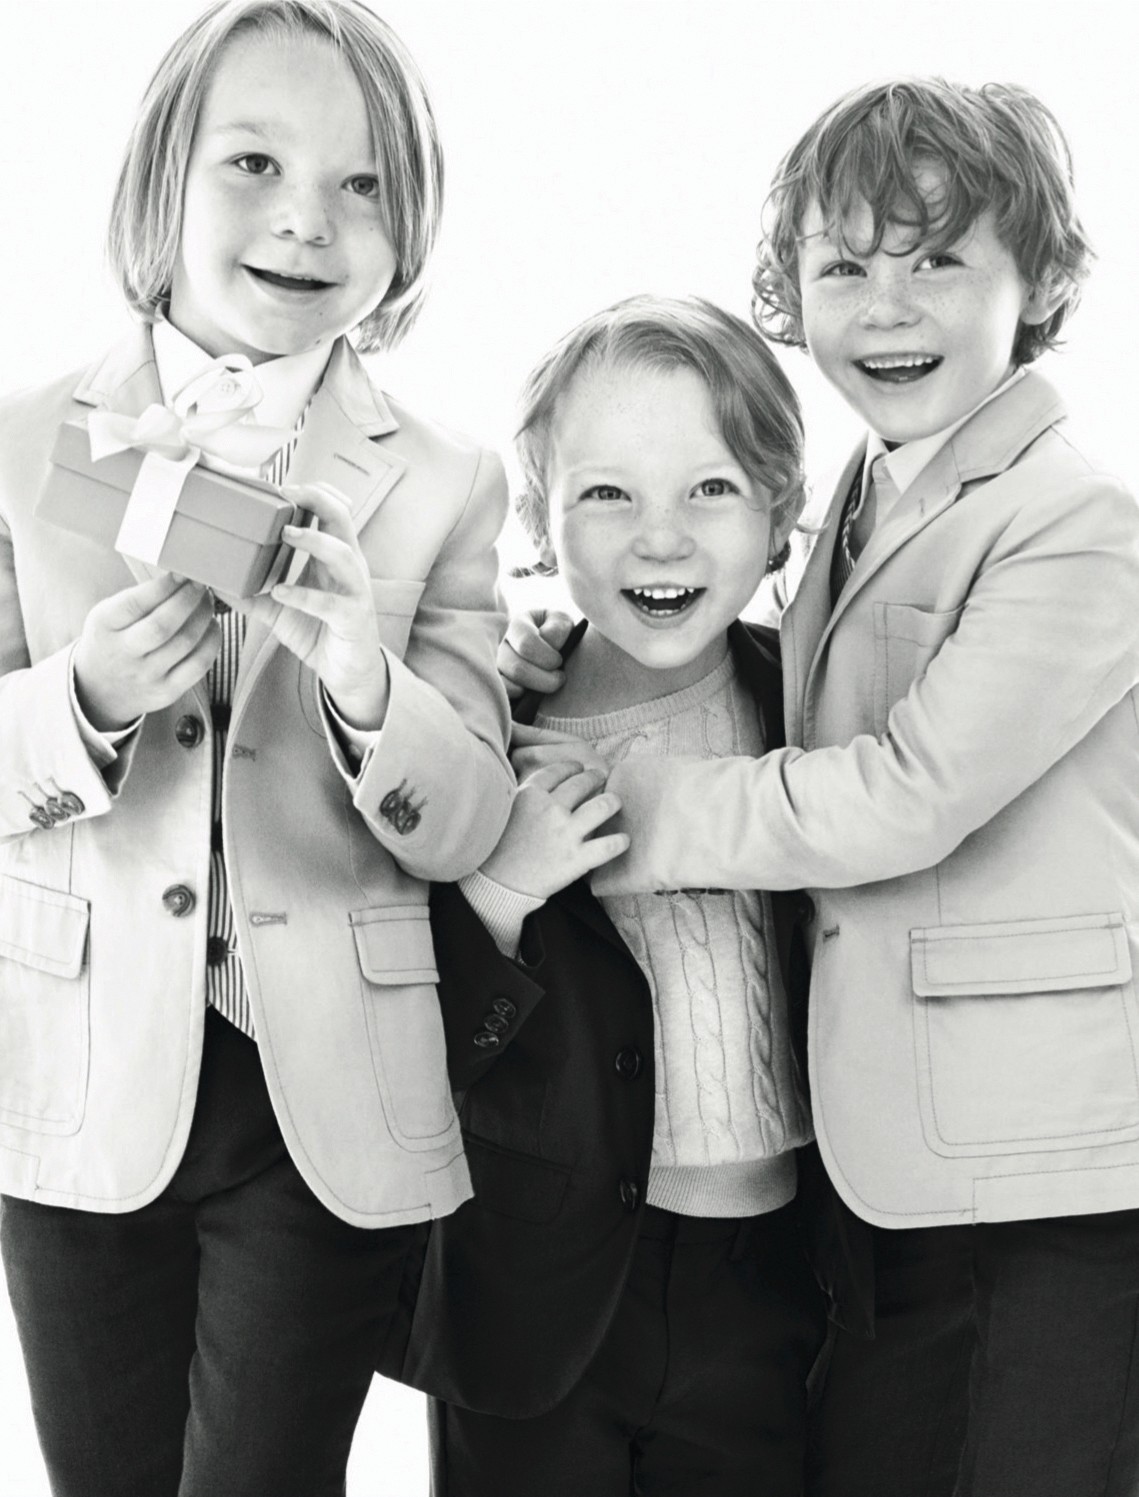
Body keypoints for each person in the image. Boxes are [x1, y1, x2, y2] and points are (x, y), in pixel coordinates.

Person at [499, 80, 1139, 1497]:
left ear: (1038, 283)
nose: (884, 307)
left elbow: (906, 792)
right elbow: (755, 663)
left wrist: (616, 801)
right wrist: (550, 653)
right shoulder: (862, 490)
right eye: (843, 267)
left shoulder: (1077, 523)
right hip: (876, 1171)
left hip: (1035, 1171)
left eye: (936, 259)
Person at [0, 2, 513, 1493]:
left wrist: (363, 681)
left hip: (321, 1090)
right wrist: (84, 698)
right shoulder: (24, 441)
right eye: (253, 164)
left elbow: (470, 813)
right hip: (78, 1073)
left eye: (362, 185)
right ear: (160, 178)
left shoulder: (442, 478)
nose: (307, 219)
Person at [396, 295, 869, 1497]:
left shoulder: (817, 715)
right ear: (538, 523)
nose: (660, 540)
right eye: (606, 493)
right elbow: (396, 1034)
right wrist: (499, 890)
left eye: (709, 488)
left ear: (780, 516)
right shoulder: (487, 729)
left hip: (773, 1282)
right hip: (539, 1296)